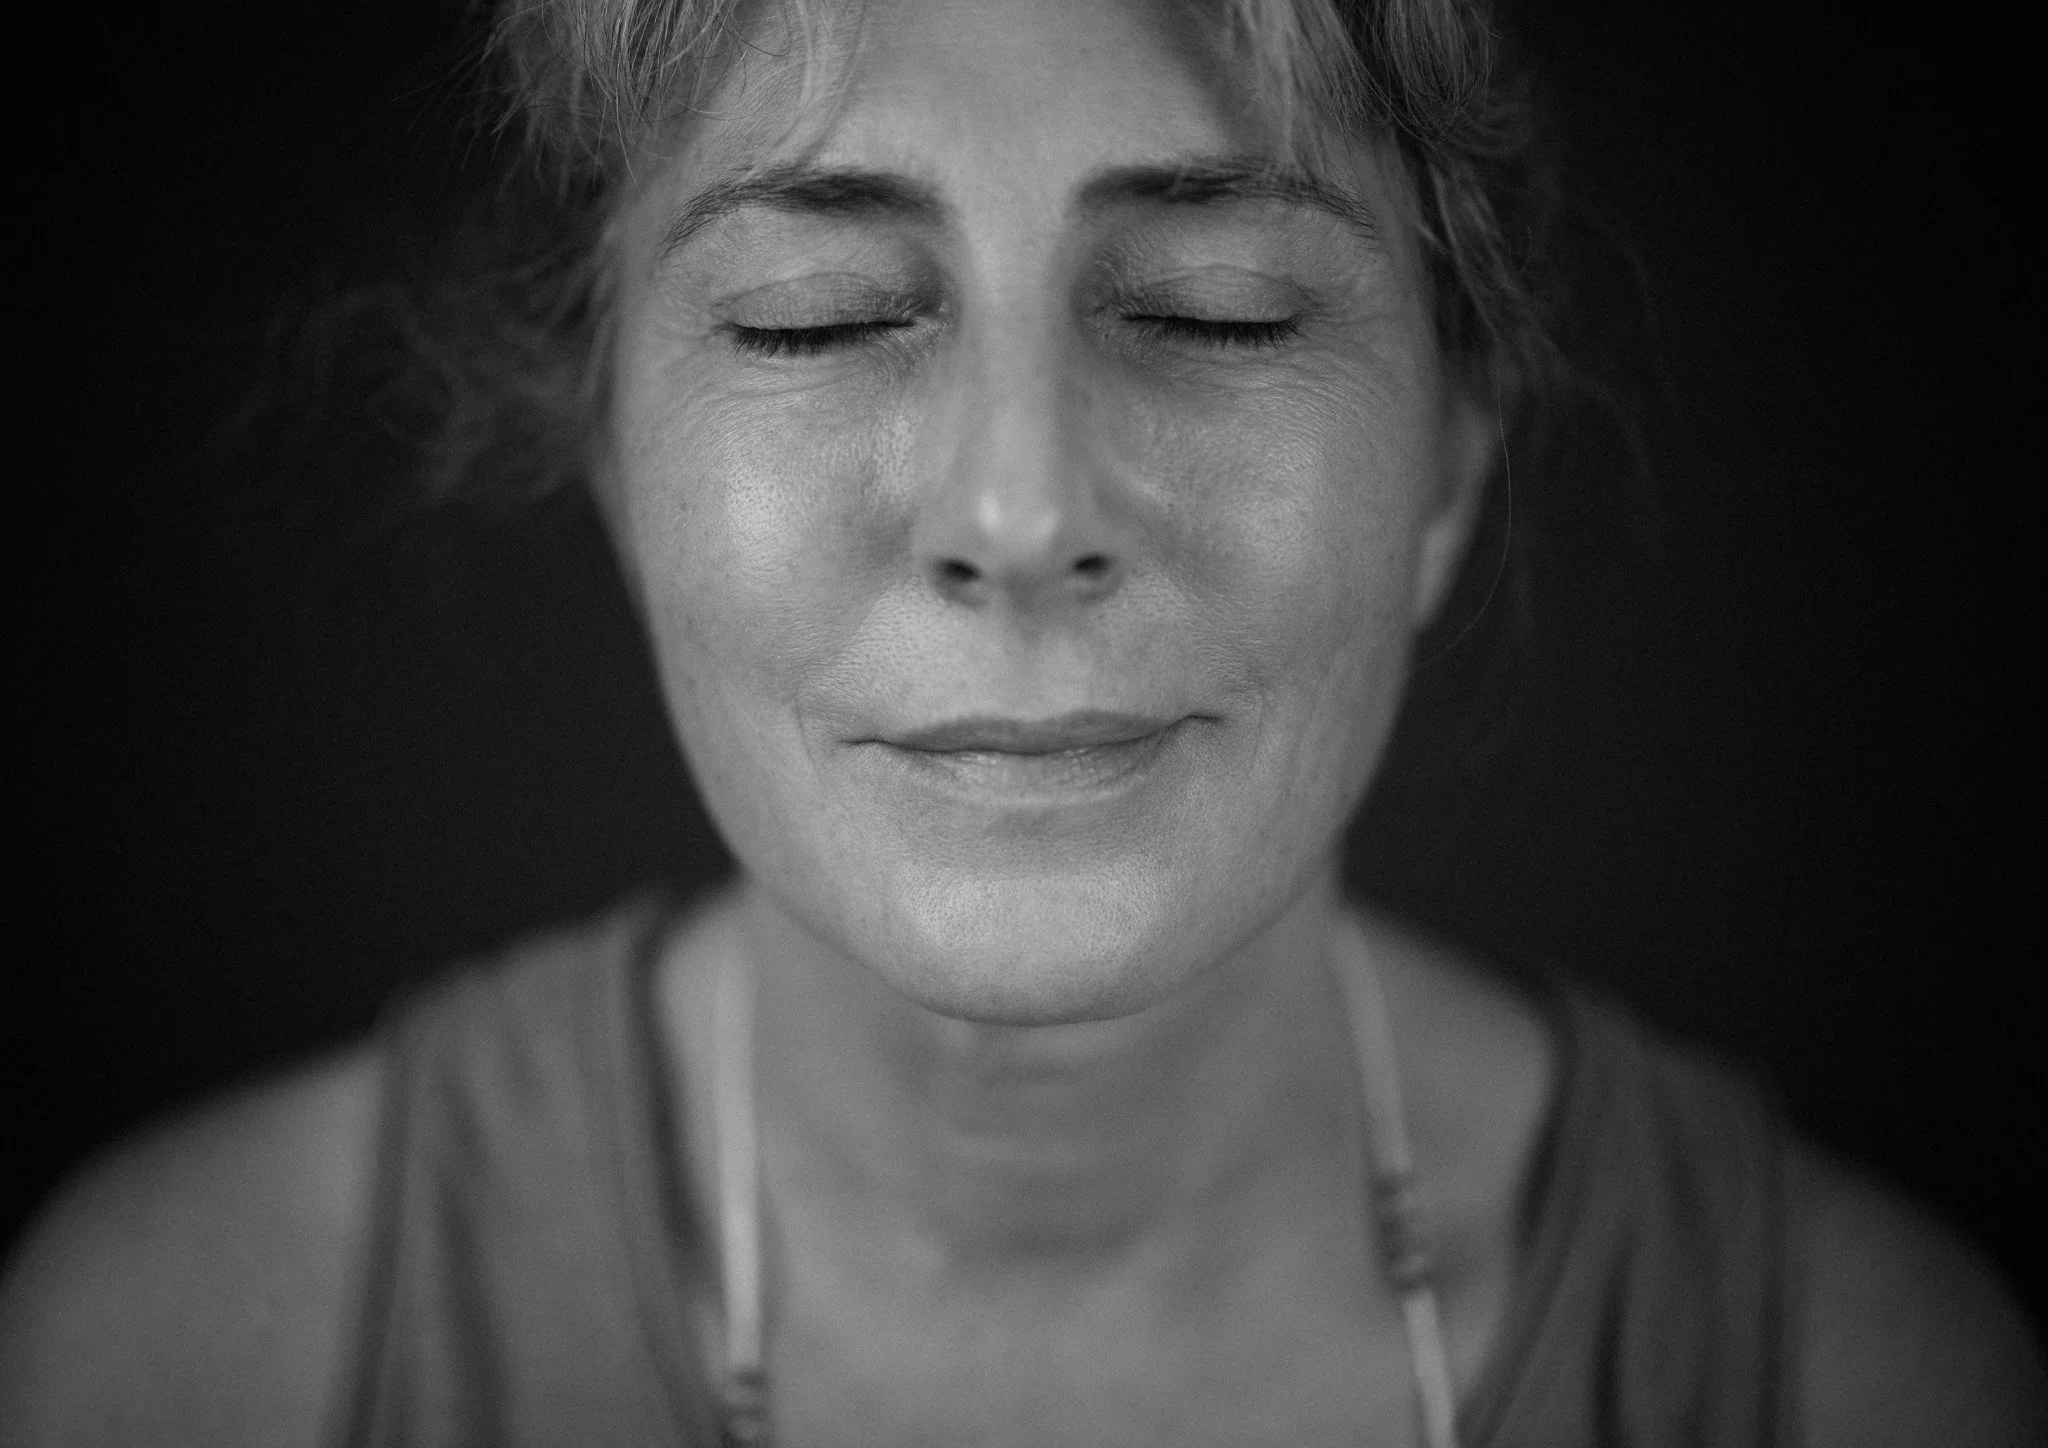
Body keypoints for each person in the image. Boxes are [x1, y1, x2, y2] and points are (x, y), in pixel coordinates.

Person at [2, 0, 2043, 1443]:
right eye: (816, 317)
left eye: (1216, 309)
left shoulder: (1856, 1379)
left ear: (1448, 462)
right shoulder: (178, 1357)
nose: (1020, 510)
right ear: (618, 459)